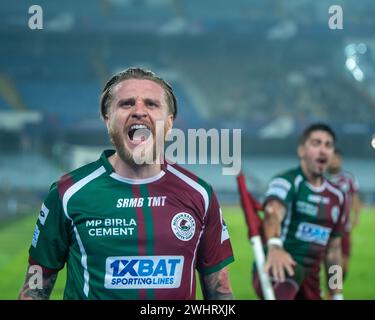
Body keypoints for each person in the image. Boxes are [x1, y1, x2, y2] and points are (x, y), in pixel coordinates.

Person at [19, 67, 234, 300]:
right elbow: (35, 286)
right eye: (126, 103)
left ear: (170, 122)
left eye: (151, 104)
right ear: (108, 119)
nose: (139, 111)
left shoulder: (200, 194)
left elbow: (220, 292)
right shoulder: (67, 193)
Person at [253, 123, 346, 300]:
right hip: (279, 266)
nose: (323, 150)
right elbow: (273, 211)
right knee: (289, 274)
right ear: (301, 151)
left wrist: (336, 295)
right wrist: (274, 246)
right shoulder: (286, 182)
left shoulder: (338, 197)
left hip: (311, 282)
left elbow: (333, 251)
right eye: (316, 143)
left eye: (328, 145)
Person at [327, 149, 361, 280]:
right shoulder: (321, 178)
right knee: (327, 264)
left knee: (344, 265)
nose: (334, 161)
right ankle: (332, 294)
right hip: (326, 228)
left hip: (343, 228)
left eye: (337, 158)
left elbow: (355, 198)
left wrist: (356, 217)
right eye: (332, 158)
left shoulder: (348, 178)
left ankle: (334, 290)